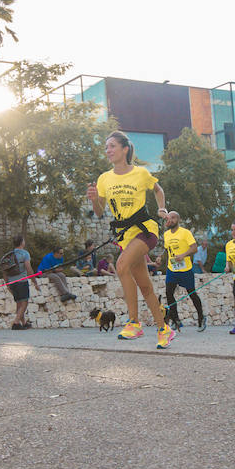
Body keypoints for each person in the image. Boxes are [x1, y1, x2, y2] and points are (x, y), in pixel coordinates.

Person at [87, 130, 175, 349]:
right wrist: (94, 200)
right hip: (126, 237)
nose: (108, 150)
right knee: (145, 287)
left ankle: (134, 322)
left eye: (112, 146)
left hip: (146, 230)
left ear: (124, 149)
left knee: (121, 265)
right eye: (106, 147)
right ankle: (164, 329)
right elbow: (99, 212)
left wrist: (162, 208)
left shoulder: (140, 173)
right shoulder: (104, 178)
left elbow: (158, 189)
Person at [162, 211, 207, 332]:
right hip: (172, 269)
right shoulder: (166, 235)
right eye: (169, 218)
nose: (170, 220)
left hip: (185, 269)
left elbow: (194, 248)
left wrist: (183, 255)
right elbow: (167, 249)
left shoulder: (185, 233)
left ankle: (201, 318)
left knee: (192, 293)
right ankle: (176, 320)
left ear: (178, 220)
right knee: (169, 293)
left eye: (173, 218)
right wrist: (160, 257)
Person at [5, 235, 40, 330]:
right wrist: (35, 282)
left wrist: (7, 283)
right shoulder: (25, 254)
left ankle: (24, 323)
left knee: (19, 303)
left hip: (12, 282)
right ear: (22, 243)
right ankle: (16, 323)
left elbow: (4, 270)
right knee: (24, 303)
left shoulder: (9, 255)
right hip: (21, 281)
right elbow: (28, 268)